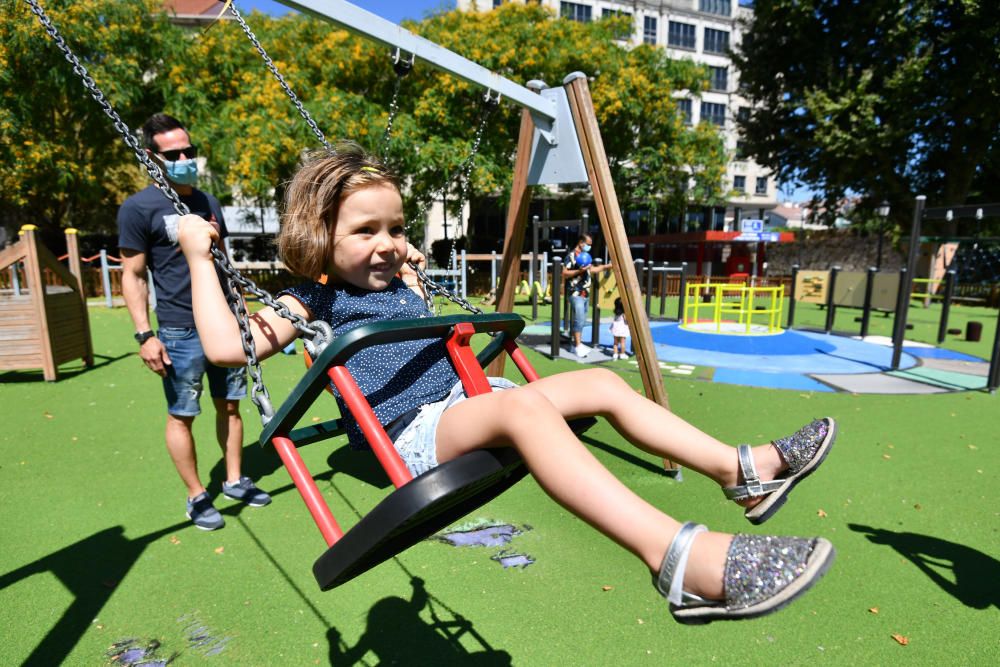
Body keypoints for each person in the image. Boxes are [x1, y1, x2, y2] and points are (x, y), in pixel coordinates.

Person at [177, 144, 837, 623]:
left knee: (601, 381)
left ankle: (740, 469)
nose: (387, 243)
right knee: (522, 407)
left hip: (462, 406)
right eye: (365, 230)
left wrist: (405, 264)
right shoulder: (309, 302)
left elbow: (408, 283)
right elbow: (225, 346)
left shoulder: (399, 283)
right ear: (317, 234)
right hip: (410, 435)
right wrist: (198, 258)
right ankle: (676, 559)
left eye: (397, 228)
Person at [118, 112, 271, 531]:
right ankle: (196, 495)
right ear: (152, 157)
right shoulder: (137, 208)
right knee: (183, 413)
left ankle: (235, 479)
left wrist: (241, 307)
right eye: (175, 153)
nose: (186, 157)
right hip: (178, 329)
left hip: (223, 324)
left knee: (231, 406)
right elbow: (131, 275)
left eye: (190, 150)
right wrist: (144, 334)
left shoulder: (207, 202)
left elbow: (224, 264)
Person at [562, 234, 594, 357]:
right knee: (579, 319)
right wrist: (579, 271)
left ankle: (575, 344)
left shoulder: (585, 256)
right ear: (581, 243)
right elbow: (564, 273)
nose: (589, 247)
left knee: (581, 320)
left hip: (585, 293)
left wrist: (607, 267)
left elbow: (590, 270)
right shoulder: (571, 256)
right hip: (575, 292)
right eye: (588, 244)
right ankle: (578, 346)